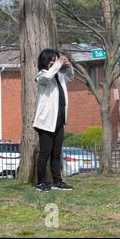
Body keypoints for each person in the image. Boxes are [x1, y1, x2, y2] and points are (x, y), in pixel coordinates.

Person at [33, 49, 74, 192]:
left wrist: (68, 65)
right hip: (45, 122)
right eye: (52, 60)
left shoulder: (59, 75)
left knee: (56, 153)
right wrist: (57, 64)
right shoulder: (41, 75)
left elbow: (71, 76)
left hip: (59, 120)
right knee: (45, 153)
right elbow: (48, 76)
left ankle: (58, 181)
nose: (55, 62)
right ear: (45, 61)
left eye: (56, 59)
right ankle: (40, 182)